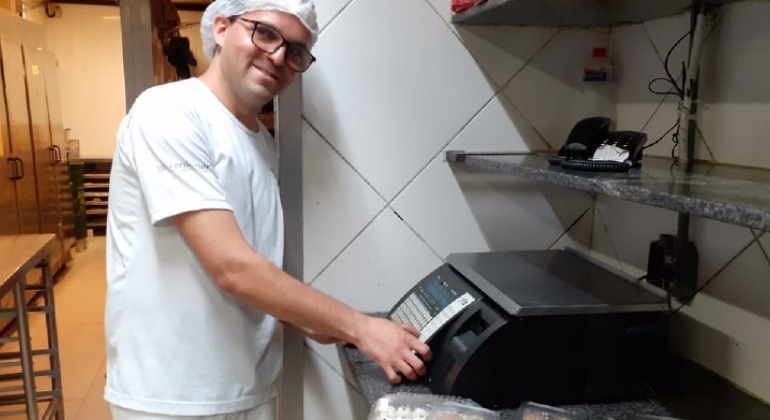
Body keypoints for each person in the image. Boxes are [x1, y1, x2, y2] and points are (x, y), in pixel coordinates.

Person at [104, 1, 432, 419]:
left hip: (247, 385)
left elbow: (250, 263)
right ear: (221, 28)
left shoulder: (260, 141)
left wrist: (306, 320)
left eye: (295, 50)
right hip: (172, 393)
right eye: (266, 33)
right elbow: (232, 267)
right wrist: (362, 328)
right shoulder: (169, 112)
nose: (278, 56)